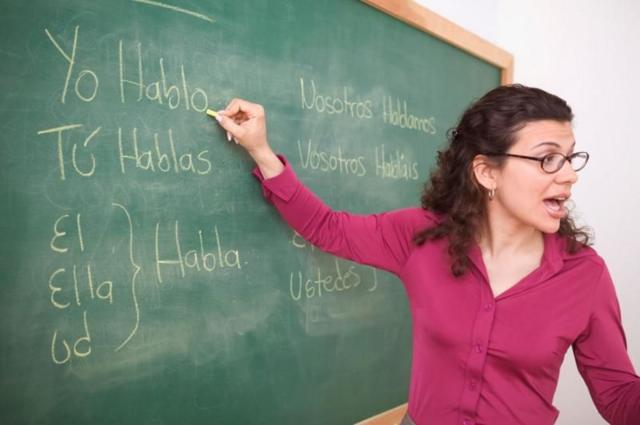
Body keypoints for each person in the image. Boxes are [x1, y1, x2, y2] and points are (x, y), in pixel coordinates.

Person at [213, 85, 640, 425]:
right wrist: (261, 151)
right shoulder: (421, 235)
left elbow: (618, 396)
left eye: (569, 158)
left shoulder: (584, 275)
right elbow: (328, 229)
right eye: (548, 159)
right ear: (487, 171)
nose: (569, 175)